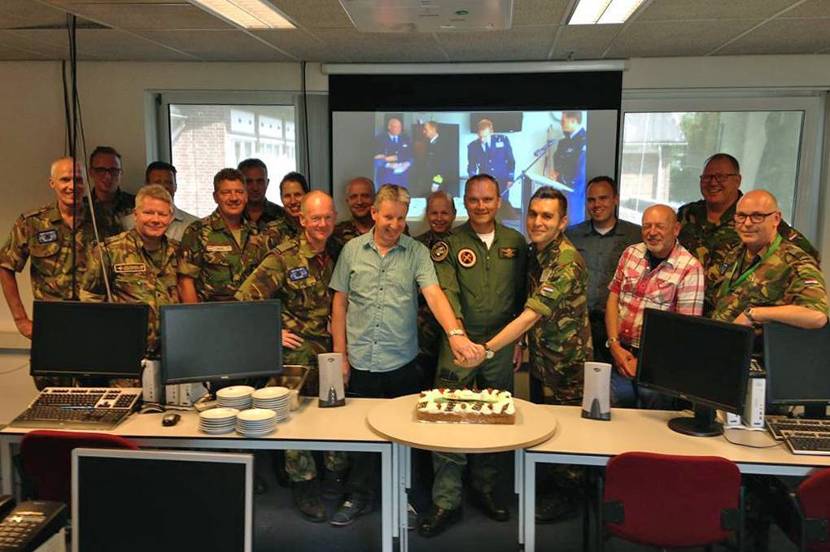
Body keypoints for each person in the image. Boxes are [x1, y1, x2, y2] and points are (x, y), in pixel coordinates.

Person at [329, 184, 483, 527]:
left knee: (407, 436)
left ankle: (407, 498)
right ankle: (359, 496)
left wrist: (455, 334)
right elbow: (339, 304)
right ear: (374, 213)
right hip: (361, 362)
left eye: (401, 218)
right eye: (388, 217)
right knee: (361, 437)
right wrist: (340, 355)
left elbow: (434, 295)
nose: (395, 225)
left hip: (401, 362)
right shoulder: (352, 250)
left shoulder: (416, 252)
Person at [457, 186, 592, 525]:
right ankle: (551, 485)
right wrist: (520, 343)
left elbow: (530, 315)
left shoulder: (565, 260)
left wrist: (488, 349)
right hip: (542, 358)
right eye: (533, 214)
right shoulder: (535, 252)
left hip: (566, 363)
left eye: (547, 216)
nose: (537, 222)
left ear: (563, 222)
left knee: (569, 431)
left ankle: (568, 496)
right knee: (548, 426)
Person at [419, 174, 527, 537]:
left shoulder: (515, 242)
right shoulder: (449, 245)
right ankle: (446, 500)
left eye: (488, 199)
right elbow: (447, 294)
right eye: (474, 200)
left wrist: (519, 342)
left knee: (495, 418)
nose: (481, 206)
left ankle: (485, 488)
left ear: (499, 202)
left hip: (501, 344)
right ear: (465, 203)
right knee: (447, 417)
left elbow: (521, 296)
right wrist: (461, 339)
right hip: (458, 344)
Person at [236, 191, 347, 523]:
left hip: (331, 350)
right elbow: (244, 299)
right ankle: (304, 485)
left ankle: (333, 477)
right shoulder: (283, 258)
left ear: (334, 218)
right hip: (295, 352)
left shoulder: (340, 252)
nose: (322, 224)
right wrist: (273, 333)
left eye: (327, 217)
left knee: (333, 415)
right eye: (315, 218)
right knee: (294, 418)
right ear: (302, 219)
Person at [678, 152, 819, 314]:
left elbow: (806, 256)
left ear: (737, 180)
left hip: (739, 314)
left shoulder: (756, 216)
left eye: (721, 177)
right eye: (707, 177)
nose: (713, 182)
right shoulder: (687, 214)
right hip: (688, 306)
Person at [0, 158, 97, 387]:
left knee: (98, 396)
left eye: (78, 180)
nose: (72, 186)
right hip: (52, 329)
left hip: (94, 327)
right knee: (53, 399)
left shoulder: (100, 220)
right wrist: (21, 319)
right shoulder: (33, 222)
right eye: (65, 180)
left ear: (86, 183)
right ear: (52, 183)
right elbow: (5, 266)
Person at [605, 205, 705, 408]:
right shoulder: (630, 253)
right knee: (616, 418)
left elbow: (685, 331)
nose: (652, 232)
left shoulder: (690, 268)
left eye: (659, 226)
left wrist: (643, 362)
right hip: (620, 354)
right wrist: (614, 345)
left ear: (676, 229)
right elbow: (613, 298)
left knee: (651, 421)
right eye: (646, 226)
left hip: (659, 365)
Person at [81, 184, 179, 357]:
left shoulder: (179, 251)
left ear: (171, 218)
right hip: (125, 351)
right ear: (135, 215)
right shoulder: (109, 251)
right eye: (148, 212)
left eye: (162, 214)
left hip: (172, 351)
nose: (155, 219)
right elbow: (90, 300)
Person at [709, 190, 828, 332]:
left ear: (776, 219)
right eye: (741, 216)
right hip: (721, 338)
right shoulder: (734, 253)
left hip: (756, 345)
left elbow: (817, 316)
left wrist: (754, 314)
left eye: (757, 216)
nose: (747, 223)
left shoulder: (794, 262)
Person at [566, 176, 641, 363]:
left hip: (619, 327)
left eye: (603, 198)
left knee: (616, 378)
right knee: (580, 377)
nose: (596, 204)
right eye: (591, 200)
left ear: (615, 199)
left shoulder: (636, 236)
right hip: (579, 325)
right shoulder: (571, 235)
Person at [177, 168, 269, 303]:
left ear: (246, 196)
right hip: (211, 312)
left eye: (239, 192)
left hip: (251, 311)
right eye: (226, 192)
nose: (234, 198)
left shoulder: (257, 232)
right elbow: (185, 282)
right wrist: (195, 315)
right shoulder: (197, 232)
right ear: (215, 197)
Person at [414, 191, 457, 387]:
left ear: (454, 214)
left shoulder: (464, 243)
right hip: (423, 334)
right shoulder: (415, 245)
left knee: (452, 389)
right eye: (434, 213)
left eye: (444, 213)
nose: (439, 218)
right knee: (422, 387)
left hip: (457, 329)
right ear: (427, 214)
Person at [122, 161, 198, 242]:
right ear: (147, 185)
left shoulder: (193, 224)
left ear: (175, 186)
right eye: (157, 182)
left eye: (168, 182)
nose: (163, 187)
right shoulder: (128, 223)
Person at [88, 146, 134, 236]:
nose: (108, 176)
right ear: (91, 172)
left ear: (121, 173)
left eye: (113, 170)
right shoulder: (83, 208)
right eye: (101, 170)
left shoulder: (135, 205)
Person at [552, 111, 587, 225]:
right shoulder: (563, 142)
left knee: (573, 226)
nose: (561, 124)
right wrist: (556, 173)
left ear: (573, 120)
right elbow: (557, 159)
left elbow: (581, 173)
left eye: (563, 121)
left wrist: (562, 177)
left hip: (575, 193)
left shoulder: (585, 140)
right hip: (561, 190)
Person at [238, 158, 287, 230]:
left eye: (260, 181)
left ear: (267, 183)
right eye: (248, 182)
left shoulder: (283, 215)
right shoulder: (232, 216)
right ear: (239, 184)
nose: (255, 188)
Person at [466, 119, 514, 191]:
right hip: (484, 183)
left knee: (502, 198)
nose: (482, 139)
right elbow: (471, 166)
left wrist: (510, 178)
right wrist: (473, 180)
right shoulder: (472, 146)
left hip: (502, 181)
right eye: (480, 136)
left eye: (485, 136)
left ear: (491, 132)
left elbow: (511, 161)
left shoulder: (503, 140)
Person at [331, 177, 375, 253]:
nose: (359, 202)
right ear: (347, 201)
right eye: (353, 197)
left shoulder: (385, 229)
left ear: (375, 198)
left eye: (365, 196)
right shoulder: (336, 234)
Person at [264, 171, 308, 245]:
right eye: (287, 196)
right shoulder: (272, 232)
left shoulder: (319, 225)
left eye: (297, 195)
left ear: (307, 195)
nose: (293, 201)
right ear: (281, 199)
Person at [373, 117, 412, 187]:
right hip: (386, 176)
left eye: (400, 127)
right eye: (396, 127)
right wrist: (388, 164)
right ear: (389, 127)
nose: (399, 129)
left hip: (403, 177)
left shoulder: (405, 138)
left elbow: (410, 155)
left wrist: (408, 163)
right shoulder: (379, 139)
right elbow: (376, 158)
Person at [419, 121, 454, 196]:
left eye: (426, 129)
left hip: (438, 183)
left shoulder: (443, 143)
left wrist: (436, 183)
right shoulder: (427, 143)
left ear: (433, 129)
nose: (423, 132)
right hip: (427, 181)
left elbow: (443, 166)